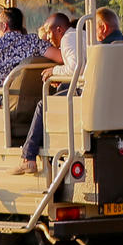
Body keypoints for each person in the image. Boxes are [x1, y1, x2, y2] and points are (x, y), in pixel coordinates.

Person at [13, 12, 76, 175]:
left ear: (59, 30)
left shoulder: (68, 39)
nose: (47, 37)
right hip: (80, 88)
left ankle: (28, 158)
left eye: (49, 32)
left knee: (44, 105)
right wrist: (59, 76)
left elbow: (75, 69)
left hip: (80, 91)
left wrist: (54, 71)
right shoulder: (79, 35)